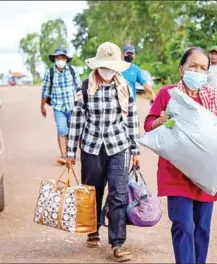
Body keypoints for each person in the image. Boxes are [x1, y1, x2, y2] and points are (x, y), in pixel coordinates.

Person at [144, 47, 217, 264]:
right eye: (193, 66)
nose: (197, 71)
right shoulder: (168, 95)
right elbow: (149, 124)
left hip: (206, 175)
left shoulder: (215, 100)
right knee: (184, 225)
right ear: (181, 69)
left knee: (202, 227)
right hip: (176, 174)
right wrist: (158, 122)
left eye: (203, 68)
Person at [66, 42, 140, 262]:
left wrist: (135, 148)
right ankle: (93, 230)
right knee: (92, 191)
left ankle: (117, 243)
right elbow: (76, 121)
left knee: (118, 193)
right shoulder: (85, 87)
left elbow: (131, 119)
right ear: (97, 65)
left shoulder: (124, 87)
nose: (107, 70)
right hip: (91, 147)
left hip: (119, 146)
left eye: (111, 66)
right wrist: (70, 153)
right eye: (104, 65)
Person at [40, 48, 80, 165]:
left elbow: (78, 88)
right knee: (62, 130)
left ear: (66, 59)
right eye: (57, 58)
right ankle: (63, 155)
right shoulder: (50, 73)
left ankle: (71, 154)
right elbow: (45, 91)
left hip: (73, 106)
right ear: (54, 60)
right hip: (58, 107)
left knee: (74, 131)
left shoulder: (73, 70)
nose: (60, 60)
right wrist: (42, 107)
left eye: (62, 58)